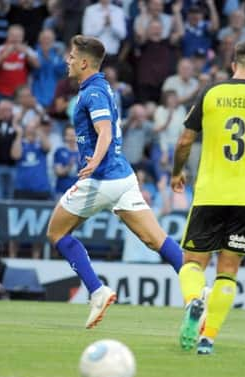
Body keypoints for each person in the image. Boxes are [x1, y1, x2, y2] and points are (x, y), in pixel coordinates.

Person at [45, 35, 183, 329]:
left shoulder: (92, 93)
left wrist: (94, 160)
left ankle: (97, 290)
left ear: (84, 62)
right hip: (124, 178)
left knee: (56, 234)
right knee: (155, 239)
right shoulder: (102, 86)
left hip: (100, 180)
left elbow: (104, 130)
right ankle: (197, 288)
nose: (67, 61)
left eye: (71, 56)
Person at [170, 40, 245, 355]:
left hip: (210, 192)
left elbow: (184, 141)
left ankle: (195, 301)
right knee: (228, 270)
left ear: (233, 64)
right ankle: (208, 339)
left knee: (193, 263)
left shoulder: (210, 93)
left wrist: (176, 171)